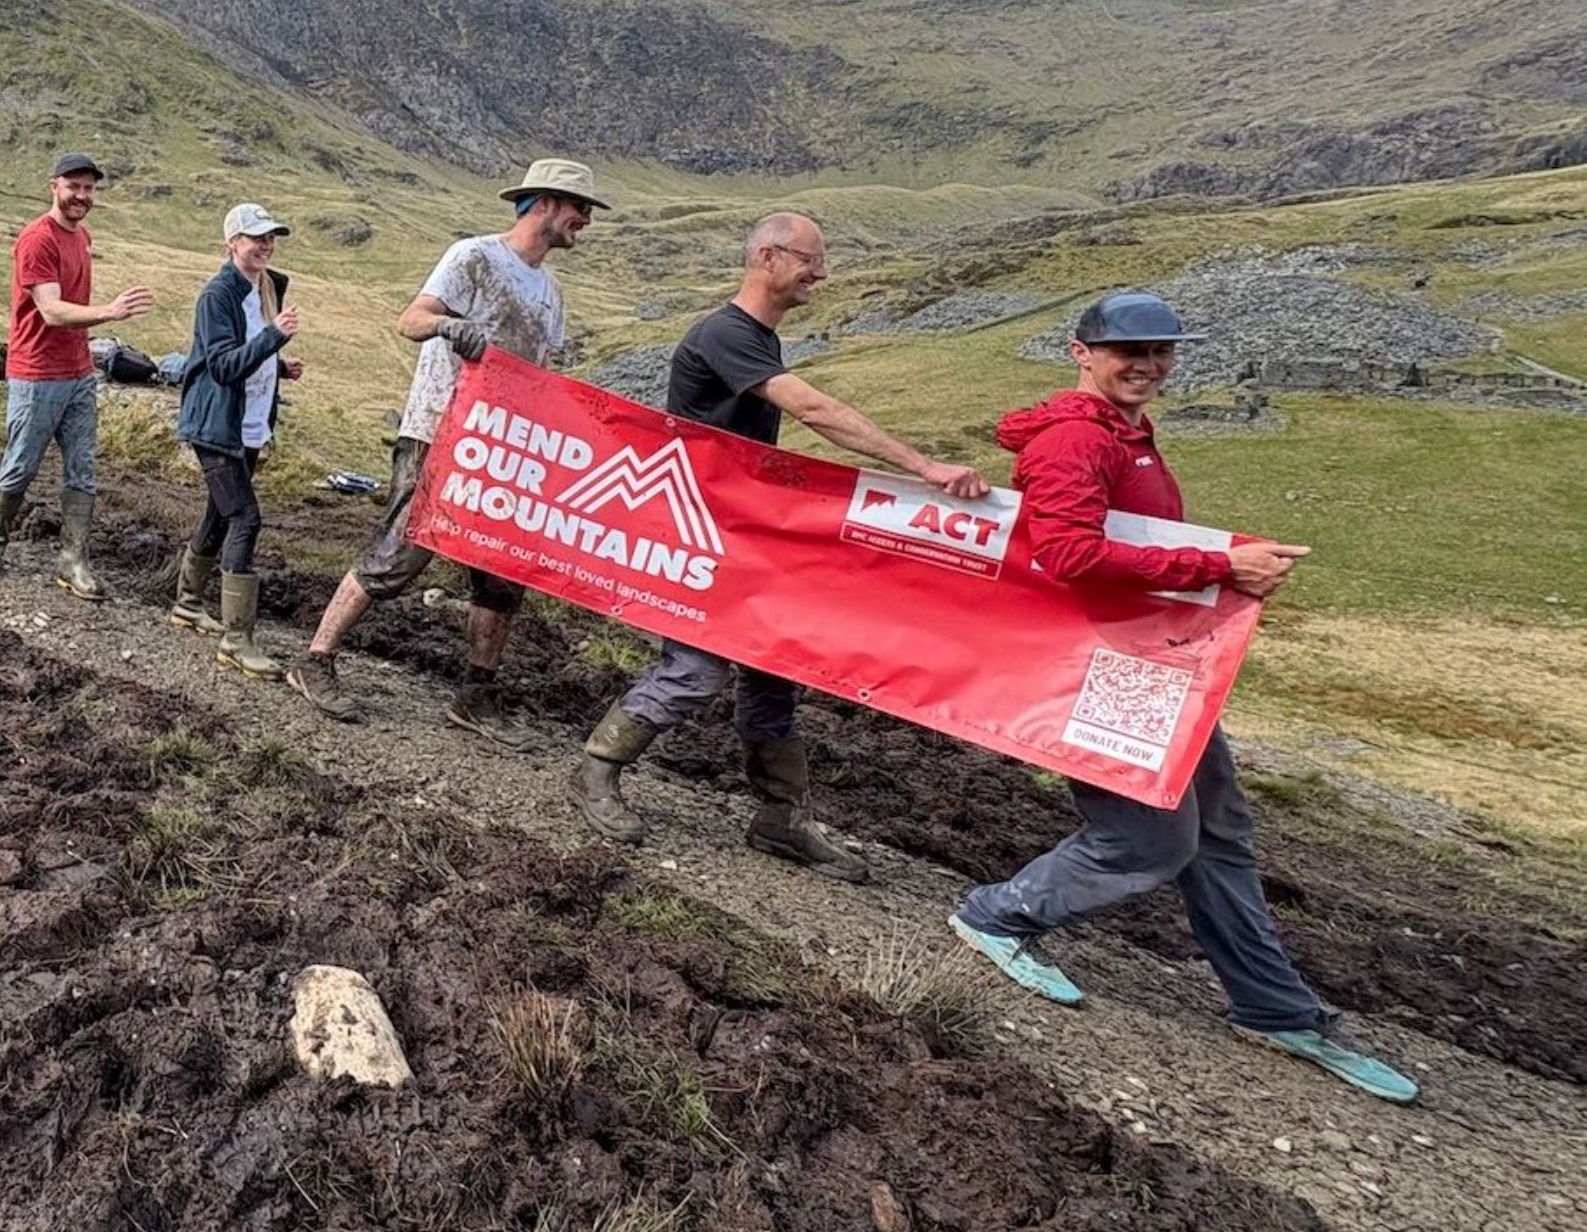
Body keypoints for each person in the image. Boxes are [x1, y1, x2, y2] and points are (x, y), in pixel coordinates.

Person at [947, 294, 1416, 1102]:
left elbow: (1137, 539)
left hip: (1155, 664)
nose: (1149, 365)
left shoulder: (1127, 434)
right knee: (1148, 842)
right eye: (1129, 350)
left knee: (1222, 833)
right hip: (1102, 670)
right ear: (1080, 353)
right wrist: (1215, 569)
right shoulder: (1073, 441)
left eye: (1162, 351)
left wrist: (1228, 552)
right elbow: (1066, 553)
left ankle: (1272, 1006)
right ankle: (997, 915)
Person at [569, 212, 987, 883]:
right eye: (809, 260)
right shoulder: (726, 335)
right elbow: (815, 411)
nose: (820, 275)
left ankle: (779, 819)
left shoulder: (752, 336)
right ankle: (597, 770)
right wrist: (921, 467)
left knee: (773, 664)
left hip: (743, 531)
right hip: (702, 531)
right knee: (697, 669)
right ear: (766, 257)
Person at [286, 158, 605, 737]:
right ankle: (316, 658)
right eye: (579, 207)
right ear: (545, 204)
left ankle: (476, 695)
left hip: (506, 449)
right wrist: (446, 327)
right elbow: (411, 318)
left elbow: (543, 370)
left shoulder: (550, 290)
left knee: (503, 571)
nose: (585, 219)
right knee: (402, 551)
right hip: (441, 431)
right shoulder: (475, 258)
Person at [0, 152, 156, 595]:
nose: (82, 195)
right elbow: (51, 311)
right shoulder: (38, 239)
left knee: (83, 468)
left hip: (78, 371)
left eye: (89, 188)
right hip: (37, 372)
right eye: (74, 186)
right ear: (53, 185)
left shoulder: (82, 236)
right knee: (22, 462)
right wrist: (109, 313)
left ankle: (73, 561)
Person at [172, 203, 302, 676]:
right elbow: (223, 365)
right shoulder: (217, 295)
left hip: (246, 426)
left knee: (220, 513)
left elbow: (246, 356)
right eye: (255, 238)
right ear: (232, 243)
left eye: (270, 237)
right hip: (216, 426)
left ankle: (187, 603)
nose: (265, 245)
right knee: (245, 517)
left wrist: (279, 365)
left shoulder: (262, 287)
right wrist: (274, 339)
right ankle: (236, 638)